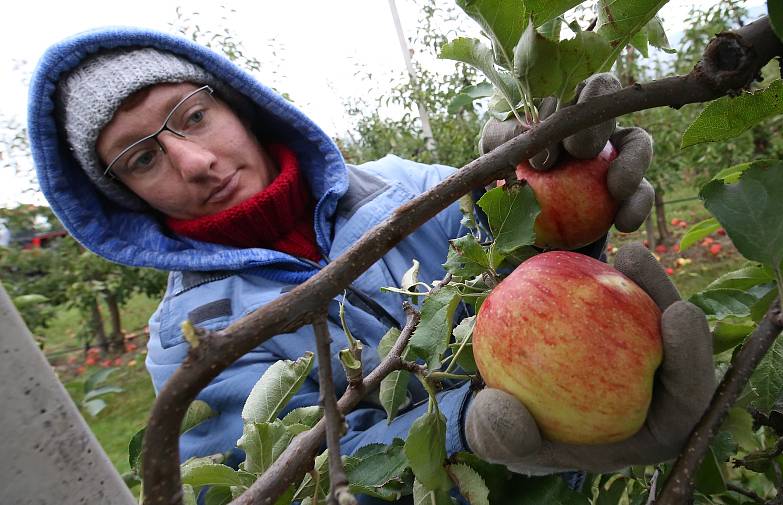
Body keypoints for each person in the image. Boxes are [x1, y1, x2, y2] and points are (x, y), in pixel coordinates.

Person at [28, 26, 715, 502]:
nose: (194, 161)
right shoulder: (191, 339)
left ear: (235, 106)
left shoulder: (405, 186)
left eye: (192, 115)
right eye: (143, 157)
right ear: (123, 194)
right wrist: (453, 428)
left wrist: (563, 197)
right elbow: (282, 484)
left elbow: (529, 274)